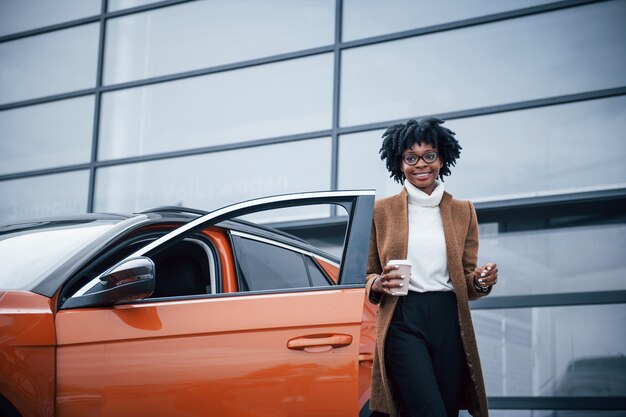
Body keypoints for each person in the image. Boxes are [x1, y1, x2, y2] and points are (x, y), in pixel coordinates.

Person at [366, 118, 498, 417]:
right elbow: (367, 272)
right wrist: (375, 283)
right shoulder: (382, 211)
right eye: (410, 158)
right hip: (402, 317)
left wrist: (480, 281)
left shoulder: (463, 210)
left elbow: (467, 278)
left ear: (442, 158)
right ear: (400, 164)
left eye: (429, 155)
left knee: (448, 409)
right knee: (429, 409)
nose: (420, 164)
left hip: (448, 318)